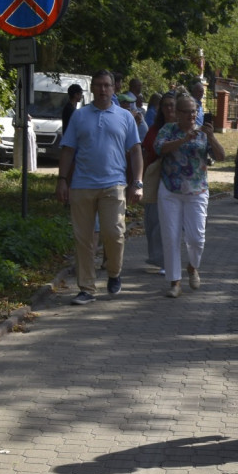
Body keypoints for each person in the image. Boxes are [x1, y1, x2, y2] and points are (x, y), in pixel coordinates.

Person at [55, 70, 143, 305]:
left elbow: (135, 151)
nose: (103, 90)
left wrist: (138, 182)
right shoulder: (79, 116)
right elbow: (68, 150)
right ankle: (87, 288)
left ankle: (114, 272)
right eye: (98, 85)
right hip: (82, 185)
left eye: (107, 85)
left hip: (113, 184)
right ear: (92, 88)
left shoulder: (125, 116)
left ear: (114, 88)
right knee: (83, 239)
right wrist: (62, 180)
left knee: (114, 234)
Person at [154, 92, 226, 298]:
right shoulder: (168, 129)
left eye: (194, 111)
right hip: (170, 189)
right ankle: (174, 282)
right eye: (186, 112)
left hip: (197, 190)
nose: (191, 116)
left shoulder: (204, 132)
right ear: (177, 113)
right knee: (171, 236)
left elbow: (221, 156)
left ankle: (193, 267)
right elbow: (159, 148)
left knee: (197, 238)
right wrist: (184, 139)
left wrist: (211, 137)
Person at [140, 92, 179, 273]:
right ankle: (160, 259)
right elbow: (146, 154)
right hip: (157, 178)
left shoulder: (184, 128)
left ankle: (170, 259)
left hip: (178, 182)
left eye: (172, 105)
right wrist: (140, 180)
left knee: (173, 222)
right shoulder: (155, 130)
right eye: (166, 105)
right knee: (154, 220)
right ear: (160, 109)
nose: (169, 109)